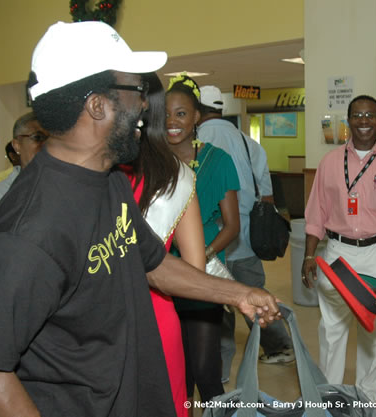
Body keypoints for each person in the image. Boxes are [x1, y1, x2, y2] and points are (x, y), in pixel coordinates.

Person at [0, 21, 279, 417]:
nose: (145, 104)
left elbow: (153, 262)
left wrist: (237, 294)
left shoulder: (107, 182)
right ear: (97, 105)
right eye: (136, 91)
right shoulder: (28, 233)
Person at [302, 95, 376, 401]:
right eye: (357, 115)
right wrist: (309, 254)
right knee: (331, 331)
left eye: (370, 115)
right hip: (337, 253)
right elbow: (316, 214)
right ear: (348, 121)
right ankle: (329, 399)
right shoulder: (329, 162)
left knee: (375, 335)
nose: (363, 121)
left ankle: (366, 401)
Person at [121, 72, 206, 417]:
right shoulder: (180, 175)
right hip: (159, 312)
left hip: (107, 315)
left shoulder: (105, 169)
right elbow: (195, 269)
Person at [196, 85, 294, 381]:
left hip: (211, 244)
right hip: (246, 241)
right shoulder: (251, 144)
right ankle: (280, 348)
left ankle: (219, 370)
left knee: (218, 307)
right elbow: (267, 197)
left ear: (197, 111)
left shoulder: (195, 142)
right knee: (257, 299)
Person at [165, 74, 241, 400]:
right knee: (175, 376)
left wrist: (202, 254)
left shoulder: (218, 160)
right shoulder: (152, 165)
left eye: (180, 114)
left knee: (205, 371)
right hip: (161, 278)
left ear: (196, 116)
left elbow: (232, 225)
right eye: (165, 115)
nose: (172, 122)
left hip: (203, 278)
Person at [0, 113, 48, 216]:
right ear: (17, 145)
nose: (46, 145)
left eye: (52, 139)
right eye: (38, 137)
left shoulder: (65, 188)